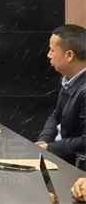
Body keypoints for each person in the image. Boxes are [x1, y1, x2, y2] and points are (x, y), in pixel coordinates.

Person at [36, 24, 86, 164]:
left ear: (69, 55)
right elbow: (57, 114)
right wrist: (44, 140)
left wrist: (51, 148)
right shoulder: (67, 79)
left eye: (52, 50)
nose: (49, 55)